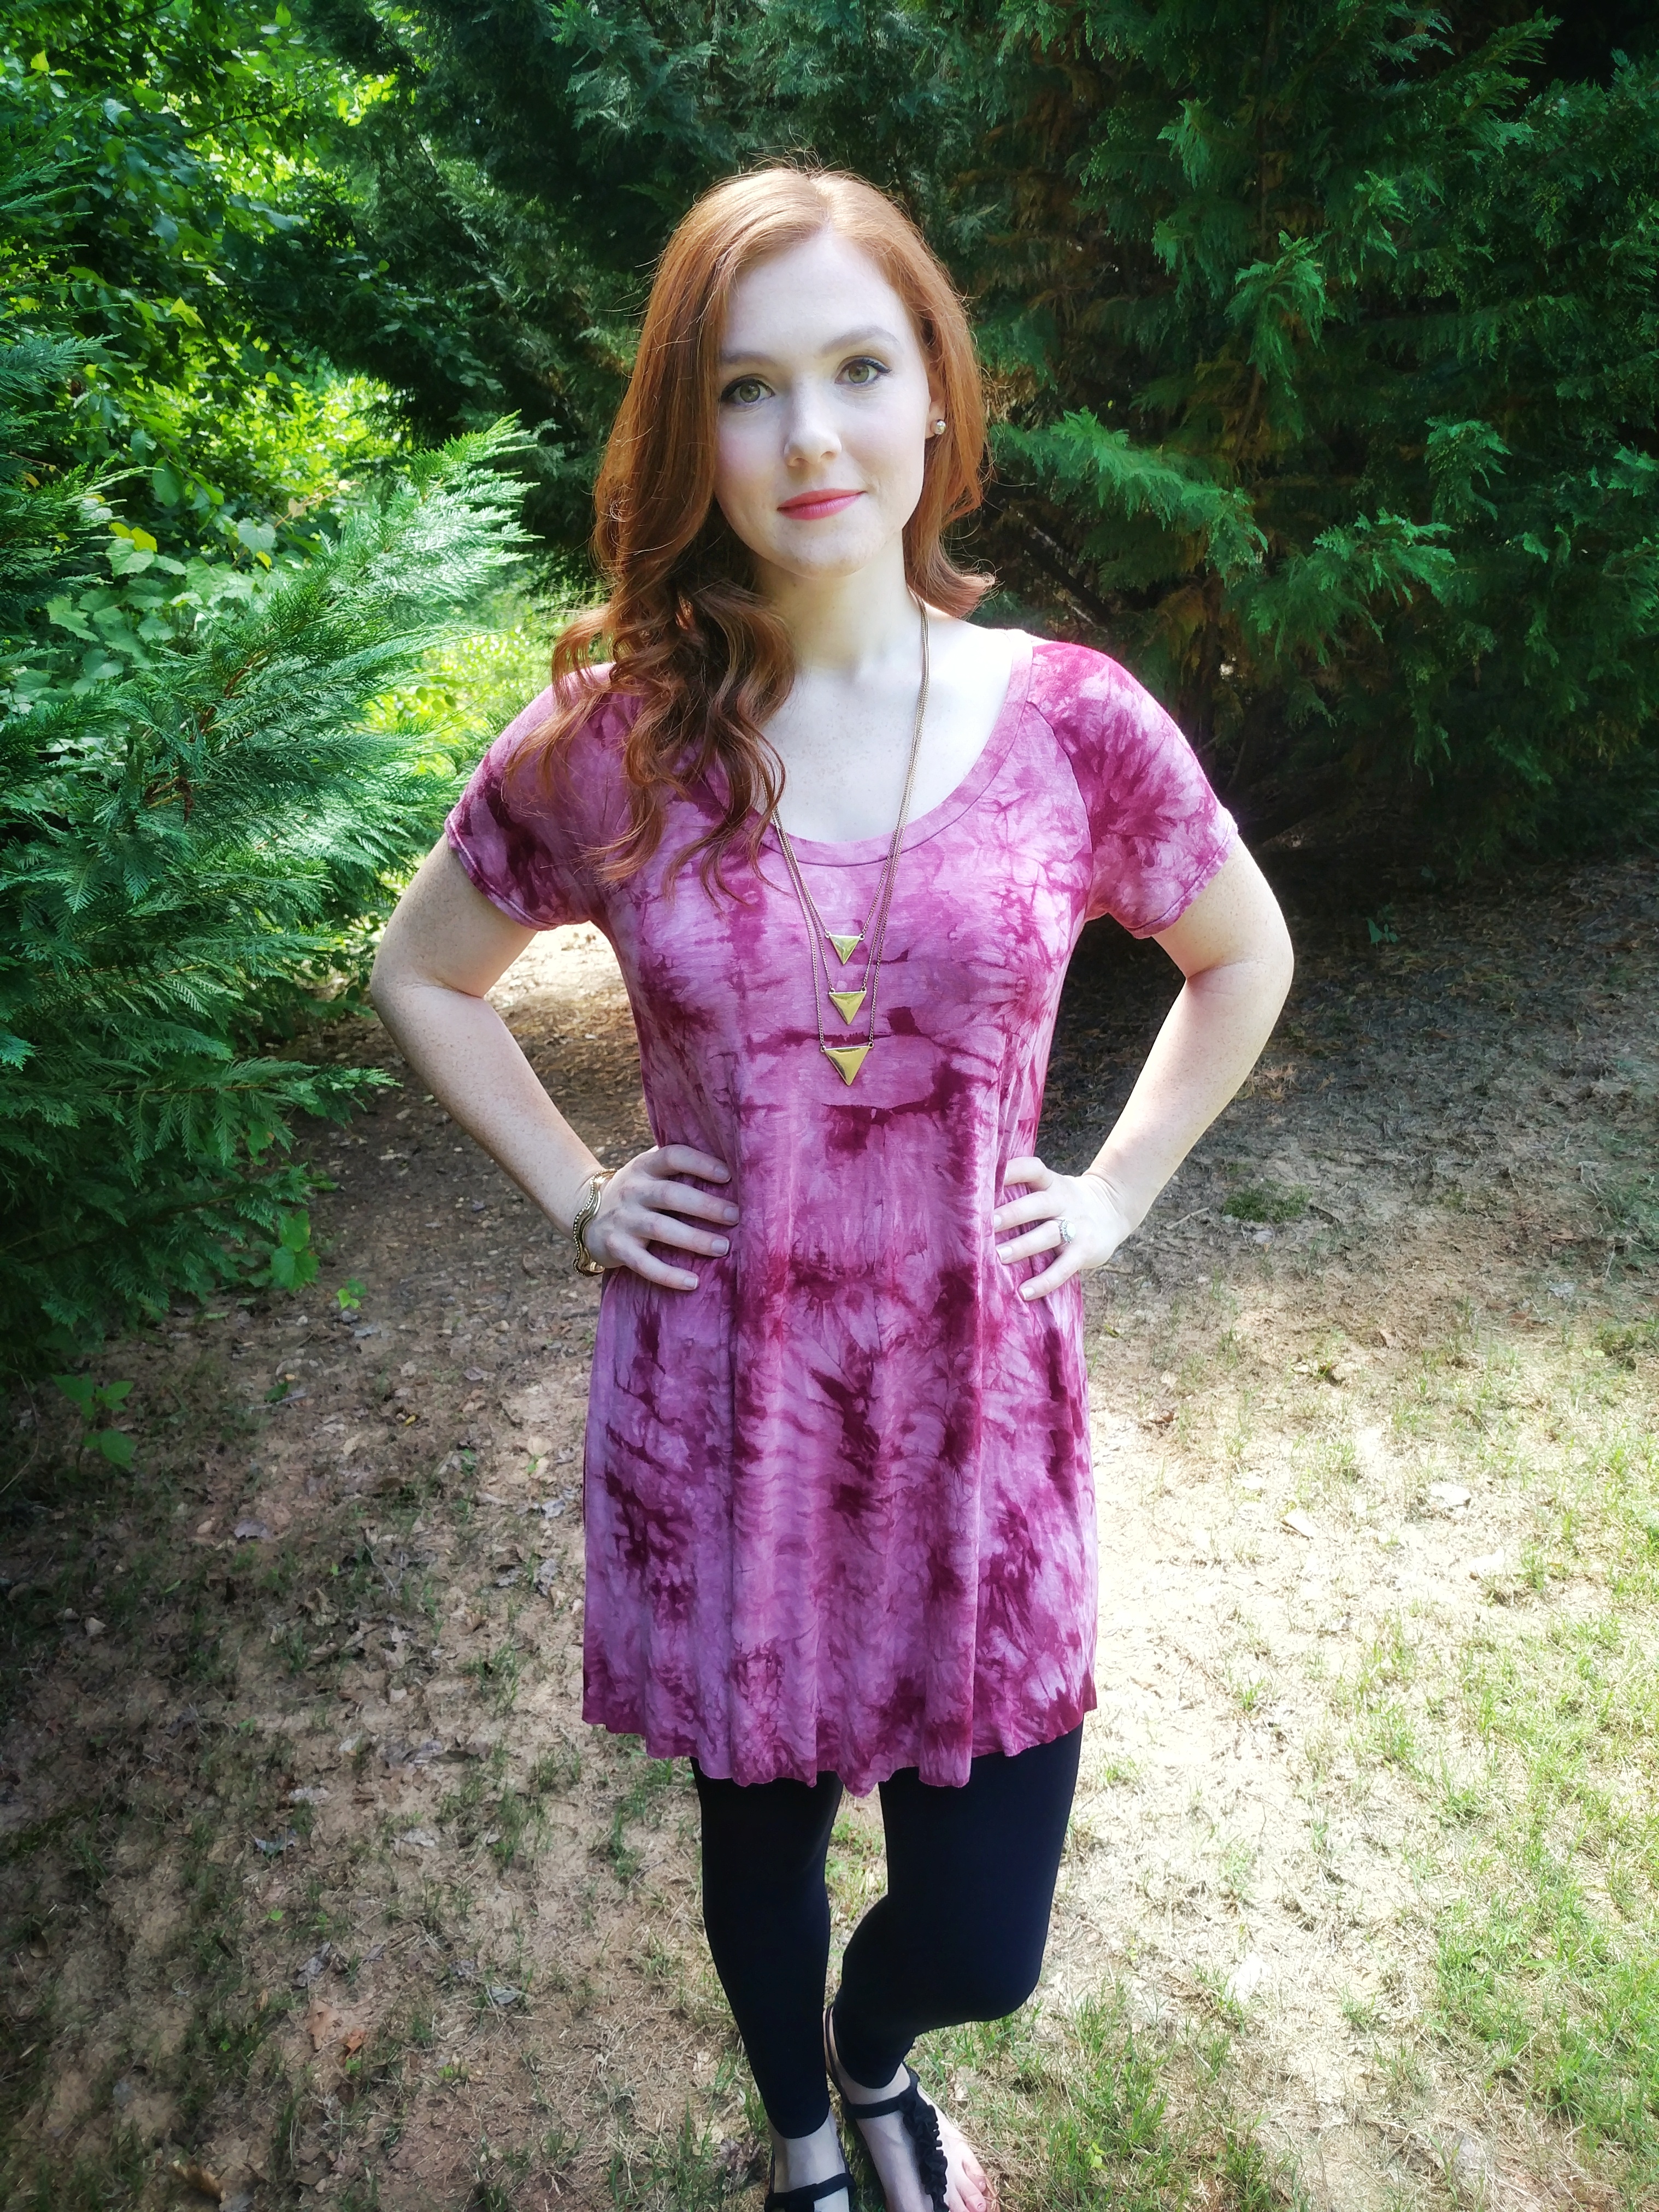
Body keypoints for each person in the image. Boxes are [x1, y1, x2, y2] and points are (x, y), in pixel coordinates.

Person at [369, 165, 1293, 2212]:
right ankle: (809, 2146)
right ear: (688, 431)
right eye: (751, 387)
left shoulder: (1068, 722)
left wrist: (1120, 1189)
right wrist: (576, 1189)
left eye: (858, 370)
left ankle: (881, 2058)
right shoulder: (614, 738)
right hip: (727, 1422)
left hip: (980, 1422)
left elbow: (1243, 953)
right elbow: (419, 973)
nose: (810, 438)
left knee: (984, 1933)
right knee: (757, 1847)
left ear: (936, 398)